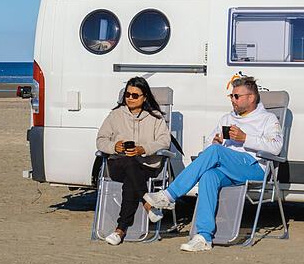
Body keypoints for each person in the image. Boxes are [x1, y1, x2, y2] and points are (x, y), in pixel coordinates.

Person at [144, 76, 283, 252]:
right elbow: (209, 146)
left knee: (216, 152)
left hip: (254, 167)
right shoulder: (227, 118)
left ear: (251, 98)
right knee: (209, 176)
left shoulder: (268, 119)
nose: (232, 100)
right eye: (231, 96)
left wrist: (245, 138)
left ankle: (169, 195)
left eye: (236, 96)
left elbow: (276, 147)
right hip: (229, 169)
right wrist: (215, 143)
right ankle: (204, 237)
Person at [95, 77, 171, 246]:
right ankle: (148, 204)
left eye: (135, 95)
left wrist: (143, 149)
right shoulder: (115, 115)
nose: (130, 98)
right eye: (127, 94)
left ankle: (120, 230)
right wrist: (115, 146)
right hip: (119, 165)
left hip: (146, 165)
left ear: (144, 97)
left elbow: (164, 141)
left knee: (132, 177)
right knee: (129, 164)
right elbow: (100, 140)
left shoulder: (155, 117)